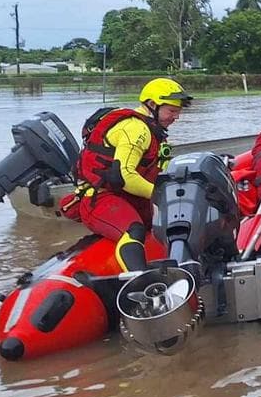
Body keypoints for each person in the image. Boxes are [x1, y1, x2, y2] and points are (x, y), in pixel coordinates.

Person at [63, 77, 193, 271]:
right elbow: (126, 177)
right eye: (172, 111)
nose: (176, 117)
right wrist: (164, 195)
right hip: (99, 199)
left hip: (125, 198)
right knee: (134, 230)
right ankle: (140, 279)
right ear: (152, 105)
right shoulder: (136, 128)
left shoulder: (152, 129)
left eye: (178, 111)